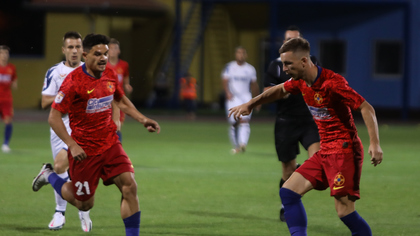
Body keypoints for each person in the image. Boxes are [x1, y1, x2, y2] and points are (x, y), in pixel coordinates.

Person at [229, 37, 383, 235]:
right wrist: (250, 104)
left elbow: (366, 107)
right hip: (326, 150)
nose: (283, 68)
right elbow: (280, 89)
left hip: (344, 151)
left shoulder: (332, 83)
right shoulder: (300, 82)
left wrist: (375, 143)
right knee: (288, 192)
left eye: (287, 64)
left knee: (344, 211)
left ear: (304, 61)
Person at [32, 33, 161, 236]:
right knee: (83, 204)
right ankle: (49, 176)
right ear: (85, 55)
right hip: (85, 151)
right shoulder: (73, 82)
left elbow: (119, 99)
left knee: (129, 186)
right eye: (97, 54)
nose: (103, 58)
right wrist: (72, 145)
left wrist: (142, 119)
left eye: (106, 54)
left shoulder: (110, 73)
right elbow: (53, 118)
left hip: (110, 144)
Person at [264, 25, 320, 222]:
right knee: (287, 170)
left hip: (308, 120)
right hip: (285, 122)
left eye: (293, 40)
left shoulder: (310, 63)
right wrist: (283, 91)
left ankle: (295, 190)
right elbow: (266, 91)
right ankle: (286, 204)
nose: (289, 43)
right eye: (287, 40)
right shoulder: (276, 65)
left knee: (317, 160)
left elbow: (320, 84)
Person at [40, 31, 95, 231]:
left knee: (75, 168)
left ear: (83, 50)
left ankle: (80, 211)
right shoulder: (54, 72)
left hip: (84, 127)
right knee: (62, 168)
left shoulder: (91, 70)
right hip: (60, 126)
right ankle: (60, 211)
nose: (74, 51)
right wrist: (65, 97)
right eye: (70, 47)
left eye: (78, 47)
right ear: (63, 50)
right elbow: (45, 102)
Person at [222, 46, 260, 154]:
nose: (241, 55)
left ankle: (243, 144)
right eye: (239, 53)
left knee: (244, 120)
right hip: (233, 98)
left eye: (243, 53)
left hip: (245, 97)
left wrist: (257, 100)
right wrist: (227, 93)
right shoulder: (229, 67)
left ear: (246, 55)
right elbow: (225, 81)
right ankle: (236, 146)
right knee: (234, 122)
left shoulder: (250, 69)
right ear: (235, 54)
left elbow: (254, 85)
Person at [107, 38, 132, 142]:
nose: (112, 51)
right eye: (110, 48)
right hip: (106, 101)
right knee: (107, 126)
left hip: (119, 100)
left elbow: (126, 78)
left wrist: (127, 85)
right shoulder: (103, 65)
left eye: (115, 48)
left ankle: (117, 148)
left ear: (119, 51)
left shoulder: (124, 65)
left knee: (117, 126)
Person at [0, 45, 17, 153]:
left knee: (8, 120)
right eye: (2, 53)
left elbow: (15, 84)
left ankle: (5, 144)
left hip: (6, 99)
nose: (5, 55)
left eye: (6, 53)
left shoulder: (11, 68)